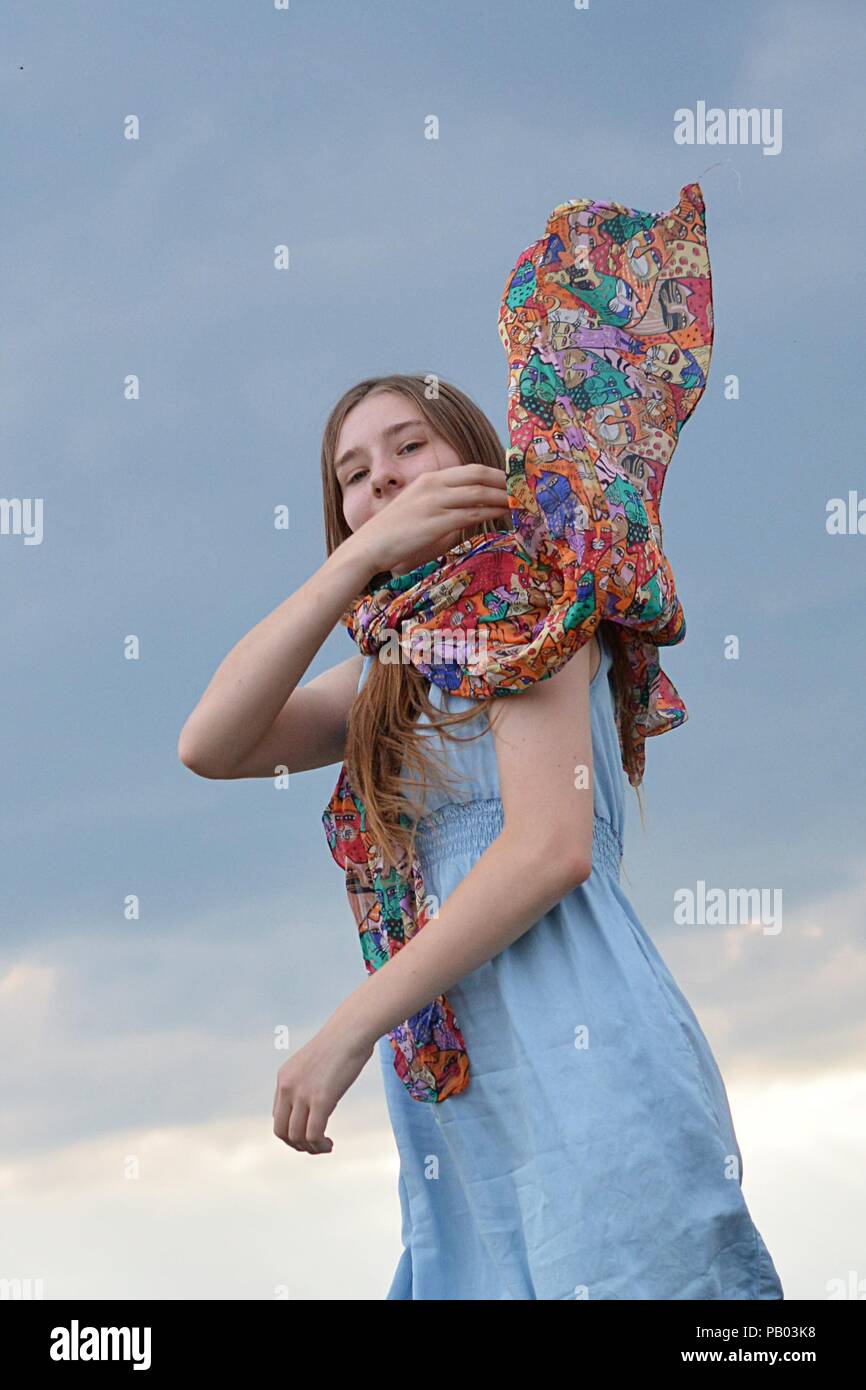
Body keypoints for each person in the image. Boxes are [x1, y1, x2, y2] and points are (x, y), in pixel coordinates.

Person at [178, 373, 784, 1301]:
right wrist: (348, 568)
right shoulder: (391, 675)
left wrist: (346, 1029)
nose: (381, 476)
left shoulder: (537, 604)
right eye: (352, 472)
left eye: (409, 445)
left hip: (585, 1063)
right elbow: (210, 744)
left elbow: (549, 849)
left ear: (474, 459)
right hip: (464, 1105)